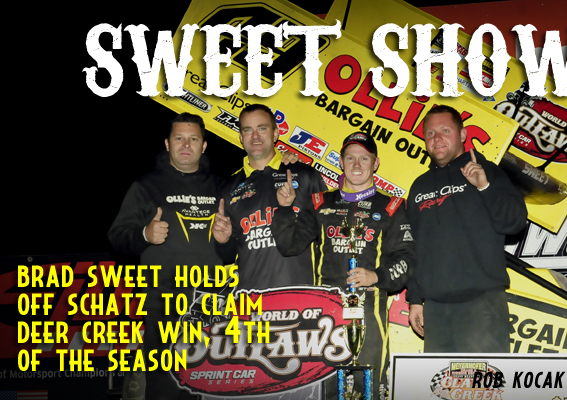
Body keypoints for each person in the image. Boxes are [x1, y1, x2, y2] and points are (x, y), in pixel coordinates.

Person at [271, 132, 415, 400]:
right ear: (341, 162)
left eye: (364, 158)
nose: (357, 165)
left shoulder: (392, 206)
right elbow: (289, 246)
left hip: (369, 313)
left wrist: (376, 276)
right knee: (324, 391)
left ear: (376, 163)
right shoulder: (319, 202)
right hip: (324, 314)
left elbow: (407, 260)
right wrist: (284, 209)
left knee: (368, 391)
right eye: (350, 158)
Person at [108, 112, 222, 400]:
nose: (186, 144)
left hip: (213, 303)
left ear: (203, 146)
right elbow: (117, 237)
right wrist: (145, 235)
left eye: (193, 138)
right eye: (179, 138)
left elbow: (237, 244)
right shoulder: (146, 186)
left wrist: (228, 238)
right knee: (165, 387)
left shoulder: (222, 187)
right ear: (167, 144)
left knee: (213, 385)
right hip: (163, 303)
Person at [406, 105, 527, 353]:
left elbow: (515, 223)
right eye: (430, 133)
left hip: (482, 304)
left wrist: (484, 187)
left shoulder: (488, 172)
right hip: (436, 309)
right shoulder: (419, 186)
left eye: (445, 131)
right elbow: (415, 246)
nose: (437, 139)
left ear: (462, 135)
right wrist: (416, 300)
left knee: (483, 379)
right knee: (437, 379)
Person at [211, 103, 327, 290]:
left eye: (262, 128)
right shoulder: (229, 187)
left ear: (275, 134)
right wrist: (223, 241)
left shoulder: (305, 175)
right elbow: (228, 256)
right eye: (248, 130)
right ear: (241, 137)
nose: (255, 136)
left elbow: (327, 237)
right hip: (250, 298)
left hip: (301, 295)